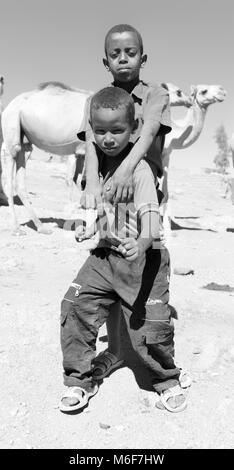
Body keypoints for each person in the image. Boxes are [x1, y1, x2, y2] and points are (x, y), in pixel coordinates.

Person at [59, 86, 187, 414]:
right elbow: (109, 212)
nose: (109, 139)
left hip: (145, 258)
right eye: (100, 132)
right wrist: (92, 227)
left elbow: (151, 223)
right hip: (107, 255)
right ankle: (79, 380)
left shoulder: (139, 170)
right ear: (91, 132)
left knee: (151, 326)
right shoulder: (100, 167)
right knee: (75, 305)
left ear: (132, 130)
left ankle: (166, 378)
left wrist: (141, 243)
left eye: (117, 131)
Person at [80, 24, 173, 381]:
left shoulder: (156, 94)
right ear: (106, 62)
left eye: (130, 53)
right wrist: (91, 182)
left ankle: (157, 352)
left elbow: (148, 130)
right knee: (112, 262)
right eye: (115, 54)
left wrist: (124, 173)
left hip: (141, 186)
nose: (123, 59)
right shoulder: (99, 99)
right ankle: (118, 349)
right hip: (109, 195)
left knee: (144, 259)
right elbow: (90, 140)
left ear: (142, 57)